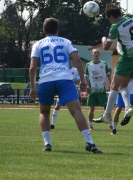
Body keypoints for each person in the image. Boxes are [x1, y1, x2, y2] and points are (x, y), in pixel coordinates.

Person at [29, 17, 102, 153]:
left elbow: (33, 67)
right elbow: (77, 59)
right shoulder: (66, 41)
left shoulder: (37, 44)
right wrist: (83, 80)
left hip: (46, 80)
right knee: (76, 111)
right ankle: (89, 142)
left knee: (44, 112)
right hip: (65, 79)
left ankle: (47, 144)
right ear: (57, 30)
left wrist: (33, 87)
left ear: (44, 30)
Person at [94, 4, 133, 126]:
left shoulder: (115, 27)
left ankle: (106, 115)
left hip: (127, 58)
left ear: (111, 16)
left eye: (109, 19)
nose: (110, 21)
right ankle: (127, 108)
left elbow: (106, 47)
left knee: (113, 87)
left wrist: (104, 38)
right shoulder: (129, 17)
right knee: (123, 86)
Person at [85, 48, 112, 130]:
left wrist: (111, 84)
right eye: (94, 53)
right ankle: (90, 125)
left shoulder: (104, 64)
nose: (96, 54)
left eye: (97, 53)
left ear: (99, 54)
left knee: (106, 108)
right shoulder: (88, 65)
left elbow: (108, 75)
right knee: (91, 108)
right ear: (92, 54)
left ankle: (111, 124)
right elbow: (85, 77)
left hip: (102, 90)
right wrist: (86, 86)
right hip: (92, 91)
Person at [50, 57, 80, 129]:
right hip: (63, 91)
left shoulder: (75, 70)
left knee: (75, 109)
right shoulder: (62, 70)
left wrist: (70, 81)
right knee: (57, 107)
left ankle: (80, 123)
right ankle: (52, 124)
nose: (69, 61)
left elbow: (79, 80)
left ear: (72, 60)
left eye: (70, 59)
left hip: (72, 91)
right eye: (67, 59)